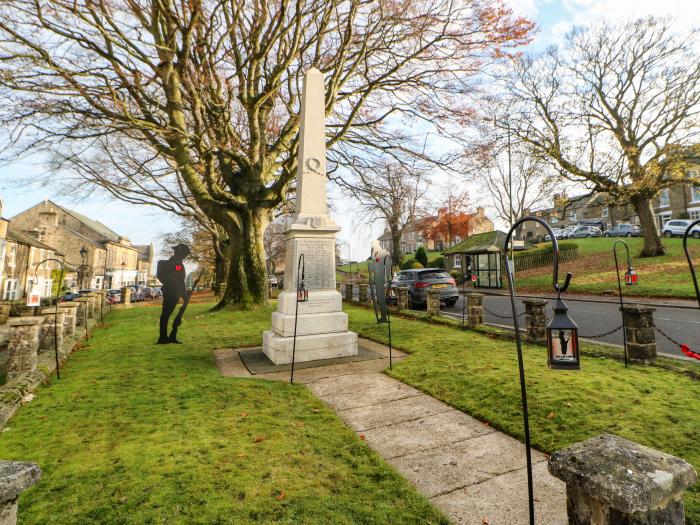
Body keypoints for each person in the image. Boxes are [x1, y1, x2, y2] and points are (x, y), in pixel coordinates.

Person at [156, 243, 190, 344]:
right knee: (165, 315)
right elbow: (165, 278)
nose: (185, 256)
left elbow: (181, 281)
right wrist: (172, 287)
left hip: (177, 292)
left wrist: (184, 295)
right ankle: (163, 337)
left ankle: (170, 337)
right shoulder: (167, 264)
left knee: (168, 314)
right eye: (184, 254)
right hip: (170, 292)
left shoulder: (179, 264)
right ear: (178, 253)